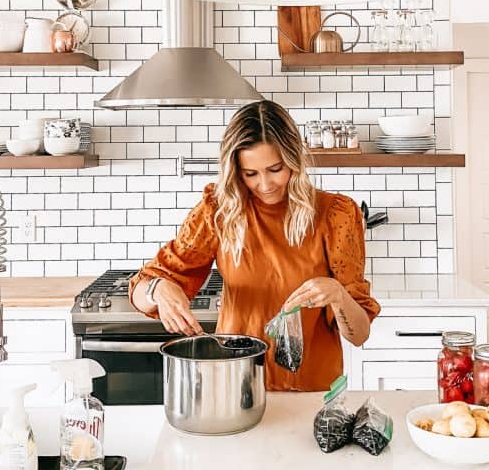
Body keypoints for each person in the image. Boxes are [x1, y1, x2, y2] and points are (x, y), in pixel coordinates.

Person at [129, 100, 380, 392]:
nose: (265, 184)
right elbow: (139, 291)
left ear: (294, 160)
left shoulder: (336, 215)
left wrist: (338, 295)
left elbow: (359, 334)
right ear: (236, 171)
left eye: (275, 169)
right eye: (250, 174)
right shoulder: (219, 212)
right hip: (235, 387)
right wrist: (157, 289)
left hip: (311, 394)